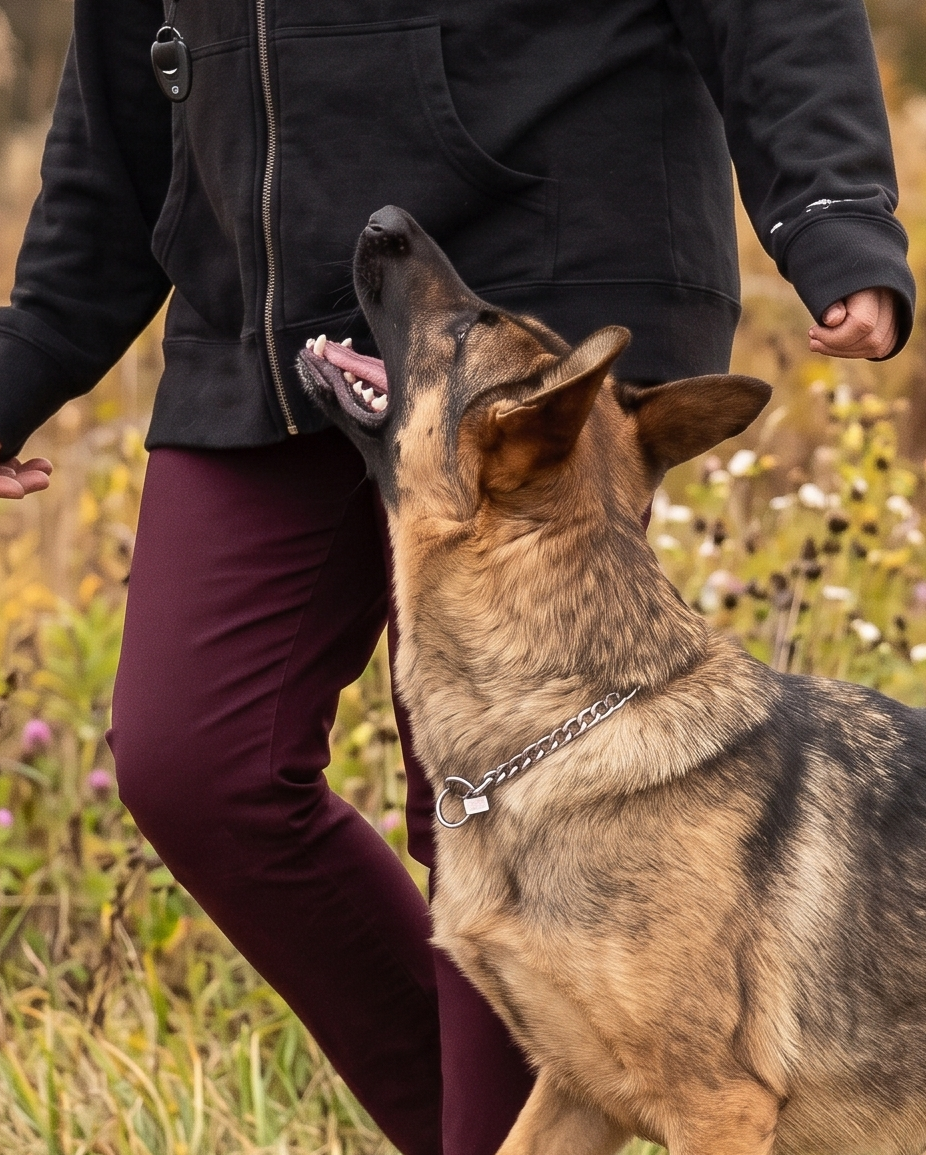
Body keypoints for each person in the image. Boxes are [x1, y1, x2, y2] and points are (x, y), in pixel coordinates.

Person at [0, 2, 917, 1153]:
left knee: (505, 790)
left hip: (544, 267)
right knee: (196, 763)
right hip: (266, 302)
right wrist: (31, 346)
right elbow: (128, 76)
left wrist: (829, 204)